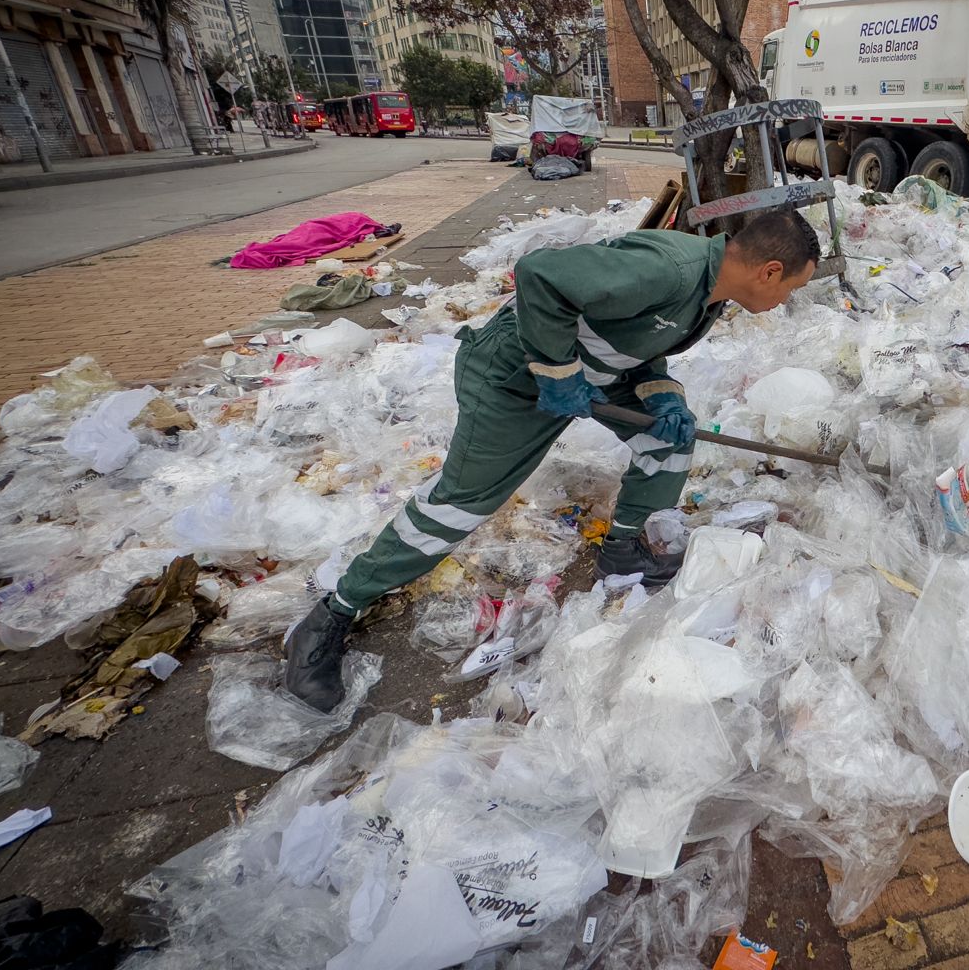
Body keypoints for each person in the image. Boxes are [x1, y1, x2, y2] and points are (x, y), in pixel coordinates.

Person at [284, 208, 822, 710]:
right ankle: (332, 614)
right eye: (792, 289)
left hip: (588, 375)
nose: (785, 302)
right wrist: (559, 377)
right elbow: (541, 275)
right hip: (513, 377)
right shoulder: (670, 269)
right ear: (770, 272)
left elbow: (630, 336)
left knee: (669, 438)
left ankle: (624, 551)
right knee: (459, 507)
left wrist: (660, 390)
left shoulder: (709, 292)